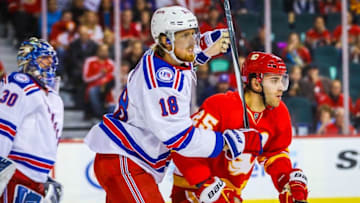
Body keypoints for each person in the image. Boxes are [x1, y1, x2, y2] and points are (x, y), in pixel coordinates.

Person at [85, 6, 263, 202]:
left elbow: (187, 59)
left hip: (128, 161)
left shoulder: (166, 57)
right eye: (184, 36)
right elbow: (180, 138)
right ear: (165, 40)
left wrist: (207, 44)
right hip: (125, 162)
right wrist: (230, 141)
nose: (192, 42)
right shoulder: (160, 84)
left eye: (193, 34)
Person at [171, 52, 309, 203]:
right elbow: (182, 145)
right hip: (193, 189)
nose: (282, 87)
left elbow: (275, 153)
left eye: (283, 80)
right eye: (275, 80)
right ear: (256, 83)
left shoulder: (279, 112)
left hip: (230, 194)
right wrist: (205, 184)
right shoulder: (219, 106)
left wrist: (286, 182)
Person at [0, 37, 64, 202]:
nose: (50, 62)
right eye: (44, 58)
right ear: (29, 61)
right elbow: (4, 124)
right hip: (15, 173)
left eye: (51, 58)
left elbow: (43, 141)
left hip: (36, 179)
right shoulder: (19, 83)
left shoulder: (53, 97)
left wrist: (45, 176)